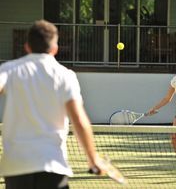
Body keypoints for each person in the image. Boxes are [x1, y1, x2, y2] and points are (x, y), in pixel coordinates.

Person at [0, 20, 104, 189]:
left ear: (27, 47)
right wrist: (93, 160)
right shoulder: (66, 75)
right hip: (52, 165)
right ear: (55, 48)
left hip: (15, 166)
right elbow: (78, 120)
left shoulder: (8, 69)